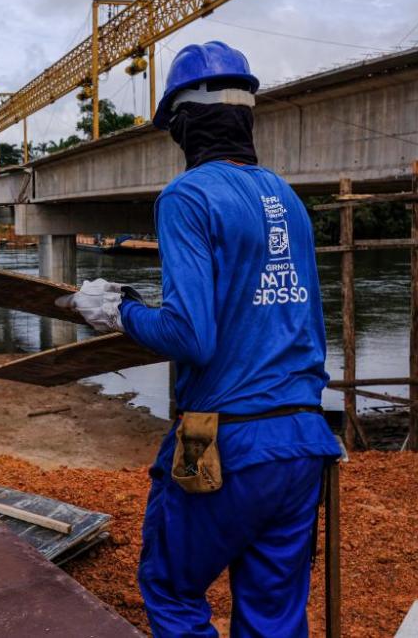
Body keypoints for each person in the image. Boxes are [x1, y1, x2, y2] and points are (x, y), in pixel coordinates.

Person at [56, 42, 342, 637]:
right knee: (273, 612)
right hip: (302, 441)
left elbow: (191, 336)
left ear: (183, 124)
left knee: (172, 587)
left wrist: (119, 310)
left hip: (226, 442)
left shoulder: (187, 197)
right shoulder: (286, 197)